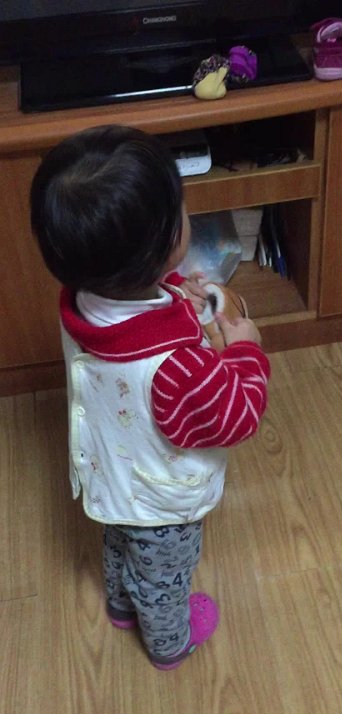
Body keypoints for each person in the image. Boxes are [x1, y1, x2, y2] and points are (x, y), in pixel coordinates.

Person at [30, 125, 270, 670]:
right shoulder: (176, 365)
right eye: (181, 210)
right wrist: (245, 351)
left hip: (109, 471)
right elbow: (236, 415)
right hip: (163, 498)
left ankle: (120, 604)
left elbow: (137, 309)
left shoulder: (81, 300)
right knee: (164, 574)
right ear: (166, 245)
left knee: (119, 536)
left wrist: (175, 293)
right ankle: (168, 642)